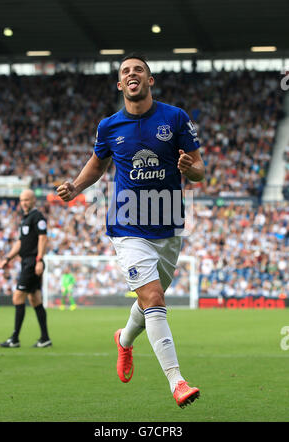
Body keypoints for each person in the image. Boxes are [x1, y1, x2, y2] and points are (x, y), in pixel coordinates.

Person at [57, 53, 205, 407]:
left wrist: (190, 168)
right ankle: (177, 382)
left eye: (139, 69)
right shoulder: (109, 126)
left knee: (148, 301)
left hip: (168, 224)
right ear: (120, 85)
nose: (132, 73)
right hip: (126, 226)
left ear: (149, 80)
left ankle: (124, 340)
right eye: (125, 71)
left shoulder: (175, 118)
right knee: (154, 298)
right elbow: (97, 162)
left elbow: (200, 169)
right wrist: (76, 187)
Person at [0, 189, 52, 348]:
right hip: (26, 261)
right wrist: (8, 258)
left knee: (17, 297)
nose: (23, 203)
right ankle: (45, 338)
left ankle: (14, 339)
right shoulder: (25, 219)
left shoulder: (38, 217)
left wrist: (39, 260)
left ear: (34, 200)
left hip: (32, 262)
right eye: (22, 200)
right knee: (34, 299)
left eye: (27, 200)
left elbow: (43, 238)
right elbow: (21, 242)